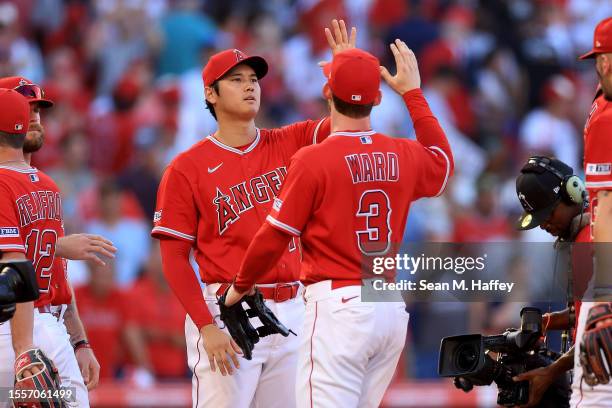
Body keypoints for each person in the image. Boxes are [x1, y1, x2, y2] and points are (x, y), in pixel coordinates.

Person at [225, 42, 454, 407]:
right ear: (378, 100)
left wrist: (239, 287)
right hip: (387, 307)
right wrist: (412, 93)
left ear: (327, 92)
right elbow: (442, 162)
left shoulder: (314, 160)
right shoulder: (403, 152)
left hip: (339, 309)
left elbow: (273, 237)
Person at [151, 19, 357, 408]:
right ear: (210, 94)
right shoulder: (185, 168)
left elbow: (347, 127)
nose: (249, 86)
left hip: (294, 310)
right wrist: (205, 326)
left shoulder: (289, 141)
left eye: (254, 79)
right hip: (230, 311)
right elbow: (174, 259)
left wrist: (345, 75)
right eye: (236, 80)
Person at [0, 76, 115, 406]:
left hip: (40, 327)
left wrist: (80, 342)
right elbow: (16, 263)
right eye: (24, 107)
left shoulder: (44, 185)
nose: (33, 116)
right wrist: (58, 244)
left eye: (37, 108)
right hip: (21, 330)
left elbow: (57, 276)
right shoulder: (42, 184)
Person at [0, 88, 80, 407]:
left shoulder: (3, 182)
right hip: (50, 329)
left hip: (14, 331)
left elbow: (16, 269)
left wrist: (24, 350)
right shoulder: (47, 184)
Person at [511, 156, 589, 407]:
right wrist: (548, 322)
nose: (543, 224)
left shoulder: (591, 242)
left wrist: (551, 371)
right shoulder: (582, 238)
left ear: (572, 193)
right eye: (536, 217)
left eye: (547, 213)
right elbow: (588, 312)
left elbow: (601, 329)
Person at [570, 16, 612, 407]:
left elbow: (607, 206)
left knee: (593, 401)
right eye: (602, 58)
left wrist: (604, 300)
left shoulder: (605, 117)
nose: (604, 66)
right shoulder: (602, 105)